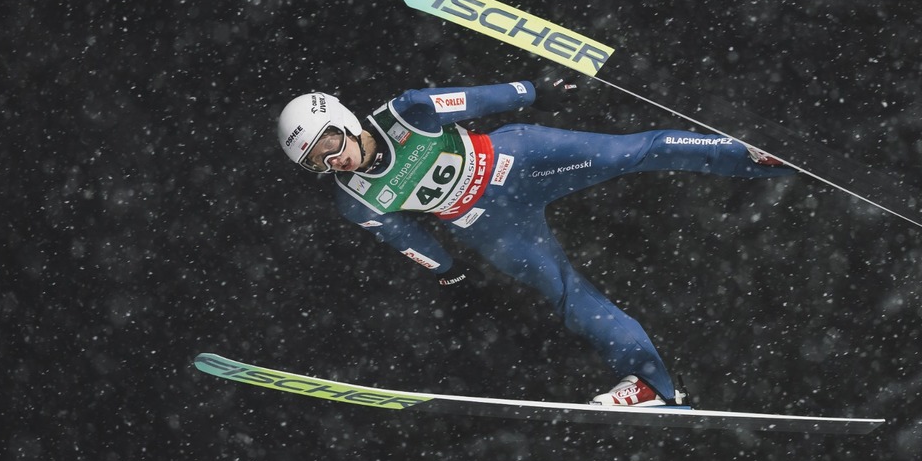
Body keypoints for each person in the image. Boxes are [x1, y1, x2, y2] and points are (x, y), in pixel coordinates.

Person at [276, 78, 793, 407]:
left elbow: (476, 100)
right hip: (489, 225)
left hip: (517, 159)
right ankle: (651, 386)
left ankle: (751, 157)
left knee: (632, 153)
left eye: (329, 143)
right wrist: (447, 272)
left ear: (343, 121)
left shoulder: (406, 112)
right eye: (317, 162)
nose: (334, 160)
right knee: (566, 293)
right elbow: (403, 236)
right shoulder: (354, 199)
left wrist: (535, 90)